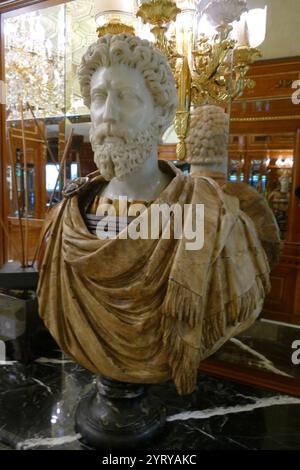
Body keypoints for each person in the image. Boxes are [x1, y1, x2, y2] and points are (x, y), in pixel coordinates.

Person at [37, 34, 279, 395]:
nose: (108, 113)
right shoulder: (62, 220)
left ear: (163, 114)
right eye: (99, 98)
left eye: (126, 97)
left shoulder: (215, 219)